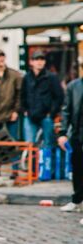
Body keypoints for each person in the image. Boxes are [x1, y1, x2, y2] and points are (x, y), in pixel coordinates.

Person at [21, 51, 63, 149]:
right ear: (31, 62)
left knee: (48, 144)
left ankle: (46, 164)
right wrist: (25, 110)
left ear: (44, 62)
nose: (39, 62)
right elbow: (22, 95)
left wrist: (51, 113)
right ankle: (32, 164)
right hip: (30, 116)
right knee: (30, 144)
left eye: (42, 59)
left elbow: (59, 97)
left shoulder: (51, 77)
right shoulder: (27, 77)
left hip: (46, 117)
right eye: (36, 59)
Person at [59, 62, 83, 213]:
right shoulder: (74, 86)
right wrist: (62, 133)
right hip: (77, 134)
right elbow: (66, 110)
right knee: (77, 168)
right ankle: (77, 200)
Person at [0, 49, 23, 139]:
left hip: (11, 113)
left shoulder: (15, 75)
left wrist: (16, 111)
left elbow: (19, 94)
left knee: (13, 141)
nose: (1, 59)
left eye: (2, 56)